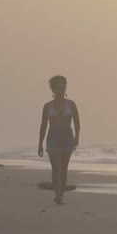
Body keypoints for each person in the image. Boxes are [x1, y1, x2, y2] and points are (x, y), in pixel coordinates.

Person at [38, 75, 81, 204]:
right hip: (53, 138)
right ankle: (58, 195)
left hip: (67, 137)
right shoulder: (47, 106)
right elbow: (43, 125)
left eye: (63, 87)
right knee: (56, 167)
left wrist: (77, 137)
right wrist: (40, 144)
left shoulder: (71, 104)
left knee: (63, 167)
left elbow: (77, 123)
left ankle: (61, 193)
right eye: (58, 88)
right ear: (53, 89)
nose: (61, 90)